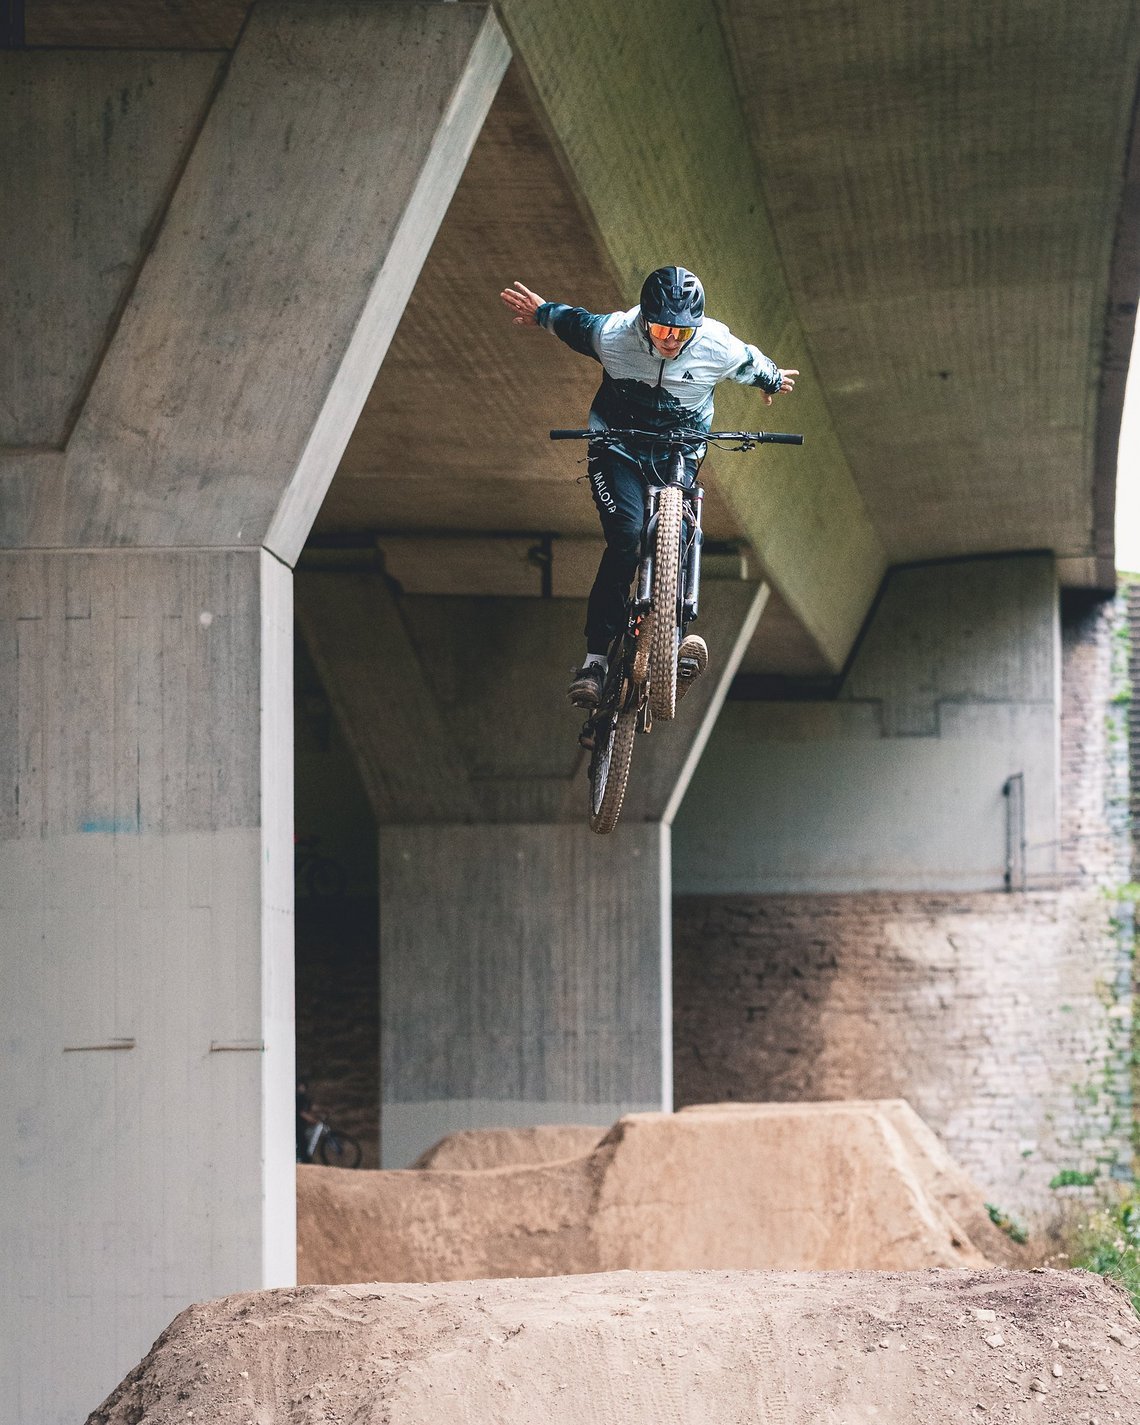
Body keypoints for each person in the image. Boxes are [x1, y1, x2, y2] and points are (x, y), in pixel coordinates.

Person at [500, 266, 798, 707]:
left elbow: (753, 363)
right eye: (661, 328)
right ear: (644, 320)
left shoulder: (716, 346)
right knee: (625, 537)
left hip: (678, 447)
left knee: (675, 536)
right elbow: (572, 322)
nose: (670, 340)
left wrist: (772, 381)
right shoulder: (614, 336)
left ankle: (670, 641)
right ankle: (595, 661)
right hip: (616, 444)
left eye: (681, 332)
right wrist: (541, 311)